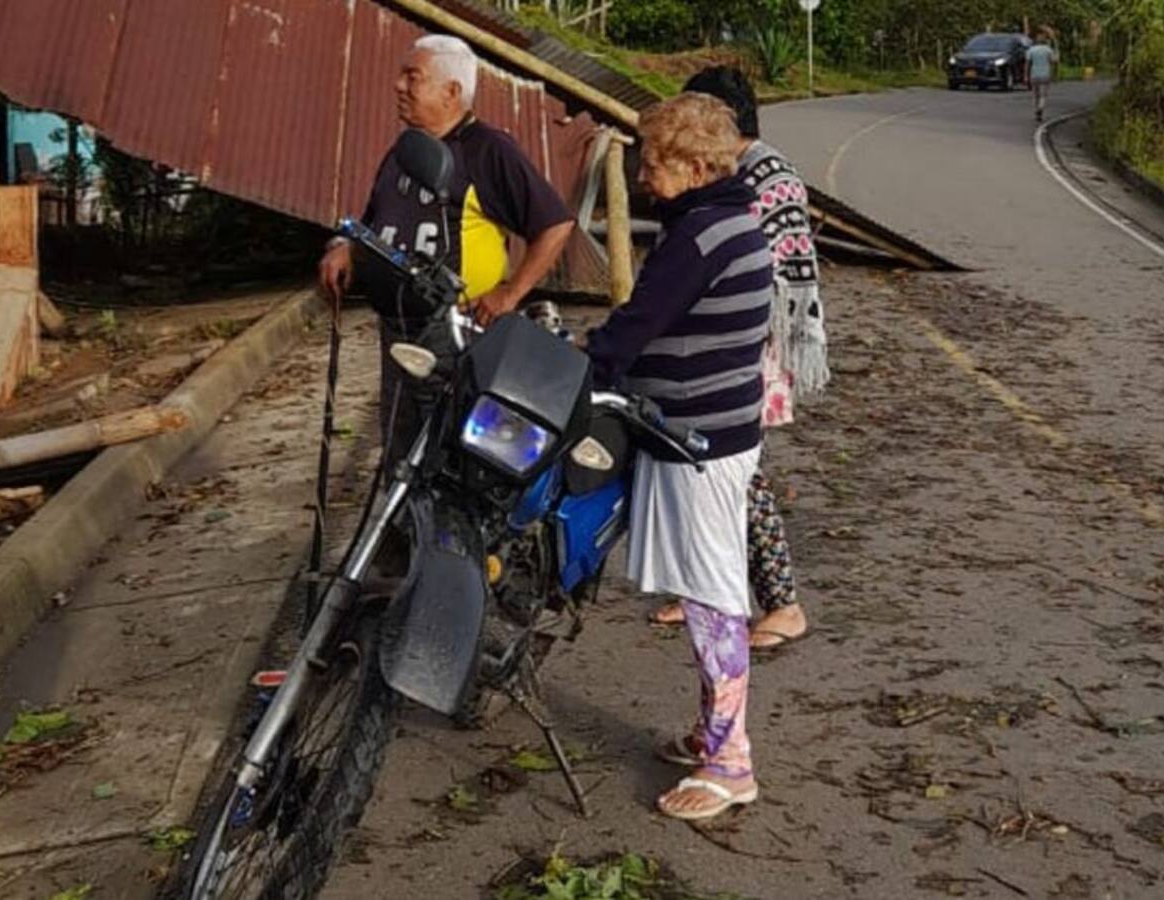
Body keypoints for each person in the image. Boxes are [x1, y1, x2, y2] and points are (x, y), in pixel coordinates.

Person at [586, 93, 772, 820]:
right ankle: (711, 732)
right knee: (707, 593)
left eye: (657, 163)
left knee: (714, 599)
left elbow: (635, 325)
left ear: (697, 167)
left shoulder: (701, 235)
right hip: (710, 435)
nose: (643, 176)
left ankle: (731, 763)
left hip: (700, 443)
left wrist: (584, 365)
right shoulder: (725, 220)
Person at [318, 34, 574, 467]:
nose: (398, 86)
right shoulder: (404, 152)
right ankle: (402, 534)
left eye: (412, 77)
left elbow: (554, 224)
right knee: (401, 455)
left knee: (451, 456)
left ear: (451, 91)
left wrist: (510, 293)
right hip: (398, 328)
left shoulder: (489, 150)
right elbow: (375, 224)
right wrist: (345, 245)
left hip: (455, 333)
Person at [647, 66, 821, 650]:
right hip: (719, 344)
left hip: (749, 345)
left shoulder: (765, 174)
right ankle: (702, 587)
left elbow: (751, 268)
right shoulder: (731, 170)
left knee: (743, 480)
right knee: (709, 473)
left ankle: (782, 602)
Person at [1026, 32, 1058, 123]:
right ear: (1045, 40)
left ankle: (1037, 109)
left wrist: (1026, 76)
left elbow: (1027, 64)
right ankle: (1040, 108)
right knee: (1043, 95)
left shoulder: (1031, 50)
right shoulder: (1049, 50)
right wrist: (1055, 74)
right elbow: (1054, 63)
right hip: (1046, 74)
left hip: (1034, 74)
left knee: (1036, 94)